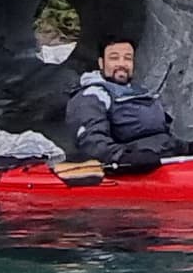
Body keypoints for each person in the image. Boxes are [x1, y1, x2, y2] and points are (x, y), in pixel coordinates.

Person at [64, 38, 177, 172]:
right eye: (114, 58)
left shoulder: (141, 93)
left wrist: (187, 148)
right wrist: (123, 158)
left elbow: (160, 137)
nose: (122, 64)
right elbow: (90, 140)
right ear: (101, 63)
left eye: (127, 58)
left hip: (160, 164)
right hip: (125, 170)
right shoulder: (92, 95)